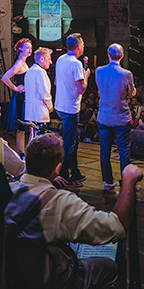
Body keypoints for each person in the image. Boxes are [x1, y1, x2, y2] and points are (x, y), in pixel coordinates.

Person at [4, 133, 143, 289]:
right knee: (109, 267)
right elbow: (117, 226)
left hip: (15, 283)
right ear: (57, 168)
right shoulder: (61, 202)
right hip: (55, 287)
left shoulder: (5, 191)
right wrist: (128, 179)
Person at [96, 44, 135, 190]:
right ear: (122, 56)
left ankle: (108, 182)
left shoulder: (99, 71)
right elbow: (130, 93)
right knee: (124, 150)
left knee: (104, 151)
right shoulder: (126, 74)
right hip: (121, 118)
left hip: (104, 117)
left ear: (108, 55)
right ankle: (126, 182)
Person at [55, 33, 90, 186]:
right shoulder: (76, 64)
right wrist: (86, 76)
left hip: (60, 105)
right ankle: (64, 177)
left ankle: (74, 171)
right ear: (78, 47)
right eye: (82, 44)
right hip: (70, 108)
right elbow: (81, 89)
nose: (83, 47)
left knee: (73, 141)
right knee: (69, 143)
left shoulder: (60, 59)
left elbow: (56, 82)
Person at [1, 38, 32, 157]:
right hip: (20, 98)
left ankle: (23, 153)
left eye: (30, 47)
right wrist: (15, 88)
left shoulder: (24, 63)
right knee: (21, 128)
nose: (29, 50)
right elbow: (4, 78)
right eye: (27, 48)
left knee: (24, 127)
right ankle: (21, 154)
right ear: (20, 49)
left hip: (24, 97)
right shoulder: (19, 63)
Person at [24, 47, 53, 141]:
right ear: (42, 59)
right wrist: (50, 106)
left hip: (30, 111)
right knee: (40, 140)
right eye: (49, 59)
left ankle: (30, 155)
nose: (51, 62)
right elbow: (45, 93)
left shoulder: (29, 71)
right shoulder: (41, 72)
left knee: (33, 137)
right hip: (39, 112)